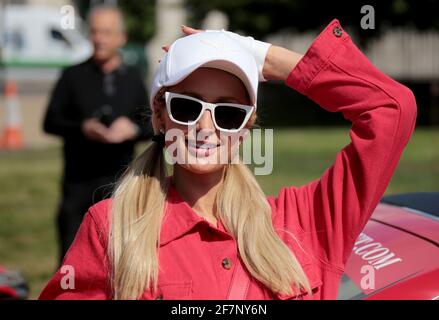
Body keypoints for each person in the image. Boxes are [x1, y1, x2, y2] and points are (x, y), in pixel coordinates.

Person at [39, 19, 417, 300]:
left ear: (246, 127)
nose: (206, 126)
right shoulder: (112, 227)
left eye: (229, 113)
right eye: (186, 107)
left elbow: (391, 109)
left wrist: (265, 57)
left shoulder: (306, 221)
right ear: (159, 116)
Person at [43, 5, 153, 262]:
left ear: (121, 38)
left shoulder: (133, 78)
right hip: (78, 183)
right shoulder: (72, 76)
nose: (99, 38)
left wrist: (132, 129)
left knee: (119, 258)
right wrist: (82, 128)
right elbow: (50, 122)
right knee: (72, 258)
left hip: (120, 184)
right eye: (94, 31)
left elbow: (153, 124)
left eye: (106, 32)